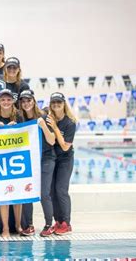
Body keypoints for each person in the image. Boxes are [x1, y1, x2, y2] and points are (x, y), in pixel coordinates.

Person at [17, 90, 56, 236]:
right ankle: (29, 225)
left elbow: (52, 140)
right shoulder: (20, 119)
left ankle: (48, 224)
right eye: (23, 101)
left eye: (29, 100)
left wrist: (43, 126)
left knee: (44, 193)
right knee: (28, 192)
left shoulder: (44, 117)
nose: (26, 103)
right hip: (29, 160)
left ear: (34, 101)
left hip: (46, 159)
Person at [0, 88, 23, 237]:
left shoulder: (19, 117)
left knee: (18, 194)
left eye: (8, 99)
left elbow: (26, 135)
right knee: (4, 195)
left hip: (16, 160)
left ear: (13, 101)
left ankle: (18, 225)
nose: (6, 102)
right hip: (0, 162)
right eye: (3, 99)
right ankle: (5, 228)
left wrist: (15, 129)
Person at [47, 92, 77, 236]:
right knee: (52, 191)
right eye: (54, 103)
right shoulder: (48, 119)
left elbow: (65, 146)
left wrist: (55, 127)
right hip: (52, 159)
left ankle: (66, 222)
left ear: (64, 104)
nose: (56, 105)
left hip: (65, 159)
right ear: (50, 105)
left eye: (59, 102)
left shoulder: (70, 123)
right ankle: (58, 221)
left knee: (61, 190)